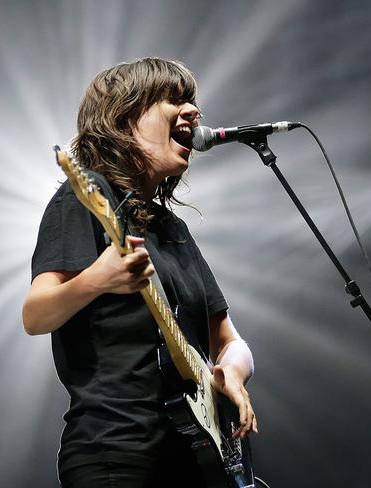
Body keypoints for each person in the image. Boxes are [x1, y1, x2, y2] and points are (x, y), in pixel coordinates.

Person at [22, 57, 257, 488]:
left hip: (194, 454)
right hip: (115, 449)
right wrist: (99, 278)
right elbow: (35, 315)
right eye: (173, 99)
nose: (193, 112)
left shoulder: (173, 230)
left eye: (192, 102)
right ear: (124, 117)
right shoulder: (83, 197)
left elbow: (231, 340)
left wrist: (233, 374)